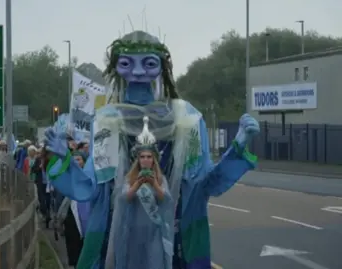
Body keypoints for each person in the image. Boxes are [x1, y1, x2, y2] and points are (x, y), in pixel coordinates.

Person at [44, 30, 260, 269]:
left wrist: (238, 145)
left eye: (148, 63)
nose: (137, 72)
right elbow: (92, 188)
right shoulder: (107, 121)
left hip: (172, 238)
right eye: (127, 63)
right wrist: (65, 159)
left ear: (162, 67)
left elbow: (205, 183)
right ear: (117, 67)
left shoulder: (185, 118)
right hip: (119, 241)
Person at [115, 121, 173, 269]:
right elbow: (123, 200)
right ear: (138, 159)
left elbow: (166, 200)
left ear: (154, 159)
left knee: (155, 263)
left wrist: (154, 184)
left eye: (149, 156)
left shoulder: (161, 179)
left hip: (154, 232)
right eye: (142, 157)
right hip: (134, 231)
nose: (146, 160)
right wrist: (137, 185)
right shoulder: (130, 178)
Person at [56, 151, 91, 269]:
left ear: (84, 162)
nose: (76, 162)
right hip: (71, 214)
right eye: (74, 160)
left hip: (87, 213)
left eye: (79, 159)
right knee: (74, 247)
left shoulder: (90, 176)